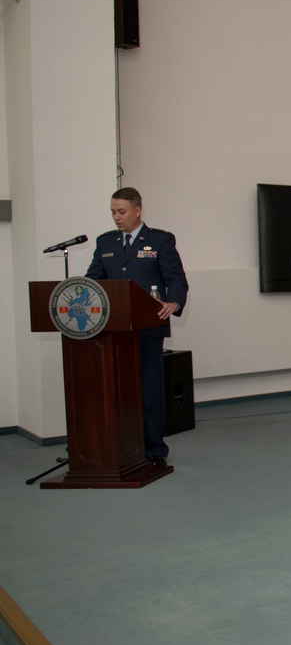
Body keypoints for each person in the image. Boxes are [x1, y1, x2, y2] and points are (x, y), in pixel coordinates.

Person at [86, 187, 189, 466]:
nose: (116, 217)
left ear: (137, 210)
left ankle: (154, 450)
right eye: (112, 212)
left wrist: (174, 303)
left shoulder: (159, 240)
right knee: (116, 388)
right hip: (113, 330)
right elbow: (93, 280)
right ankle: (120, 446)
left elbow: (176, 278)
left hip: (147, 328)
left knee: (149, 389)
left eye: (121, 212)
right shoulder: (105, 242)